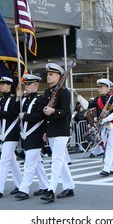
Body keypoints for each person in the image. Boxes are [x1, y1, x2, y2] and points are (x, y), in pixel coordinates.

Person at [40, 63, 75, 202]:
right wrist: (45, 131)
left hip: (61, 131)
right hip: (52, 130)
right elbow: (45, 116)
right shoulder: (48, 92)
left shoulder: (64, 93)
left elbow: (66, 112)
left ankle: (51, 190)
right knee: (60, 160)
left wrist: (54, 111)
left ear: (59, 76)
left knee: (56, 160)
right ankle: (69, 187)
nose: (48, 76)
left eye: (51, 74)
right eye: (47, 74)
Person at [14, 74, 49, 200]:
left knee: (29, 164)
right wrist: (18, 99)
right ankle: (45, 186)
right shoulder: (24, 99)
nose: (26, 86)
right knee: (37, 163)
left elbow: (40, 116)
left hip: (35, 135)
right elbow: (15, 112)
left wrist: (25, 116)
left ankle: (24, 189)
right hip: (26, 135)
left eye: (28, 84)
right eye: (25, 84)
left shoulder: (40, 99)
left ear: (35, 85)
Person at [78, 78, 113, 176]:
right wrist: (81, 99)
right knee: (108, 146)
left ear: (107, 88)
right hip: (102, 125)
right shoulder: (97, 99)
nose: (99, 89)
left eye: (101, 87)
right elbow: (88, 106)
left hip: (111, 125)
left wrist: (106, 119)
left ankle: (106, 168)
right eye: (98, 87)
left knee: (109, 147)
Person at [0, 76, 22, 198]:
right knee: (12, 161)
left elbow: (13, 115)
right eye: (0, 84)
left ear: (9, 85)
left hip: (11, 134)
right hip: (2, 134)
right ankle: (20, 185)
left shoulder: (14, 98)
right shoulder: (0, 98)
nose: (0, 86)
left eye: (3, 84)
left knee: (4, 161)